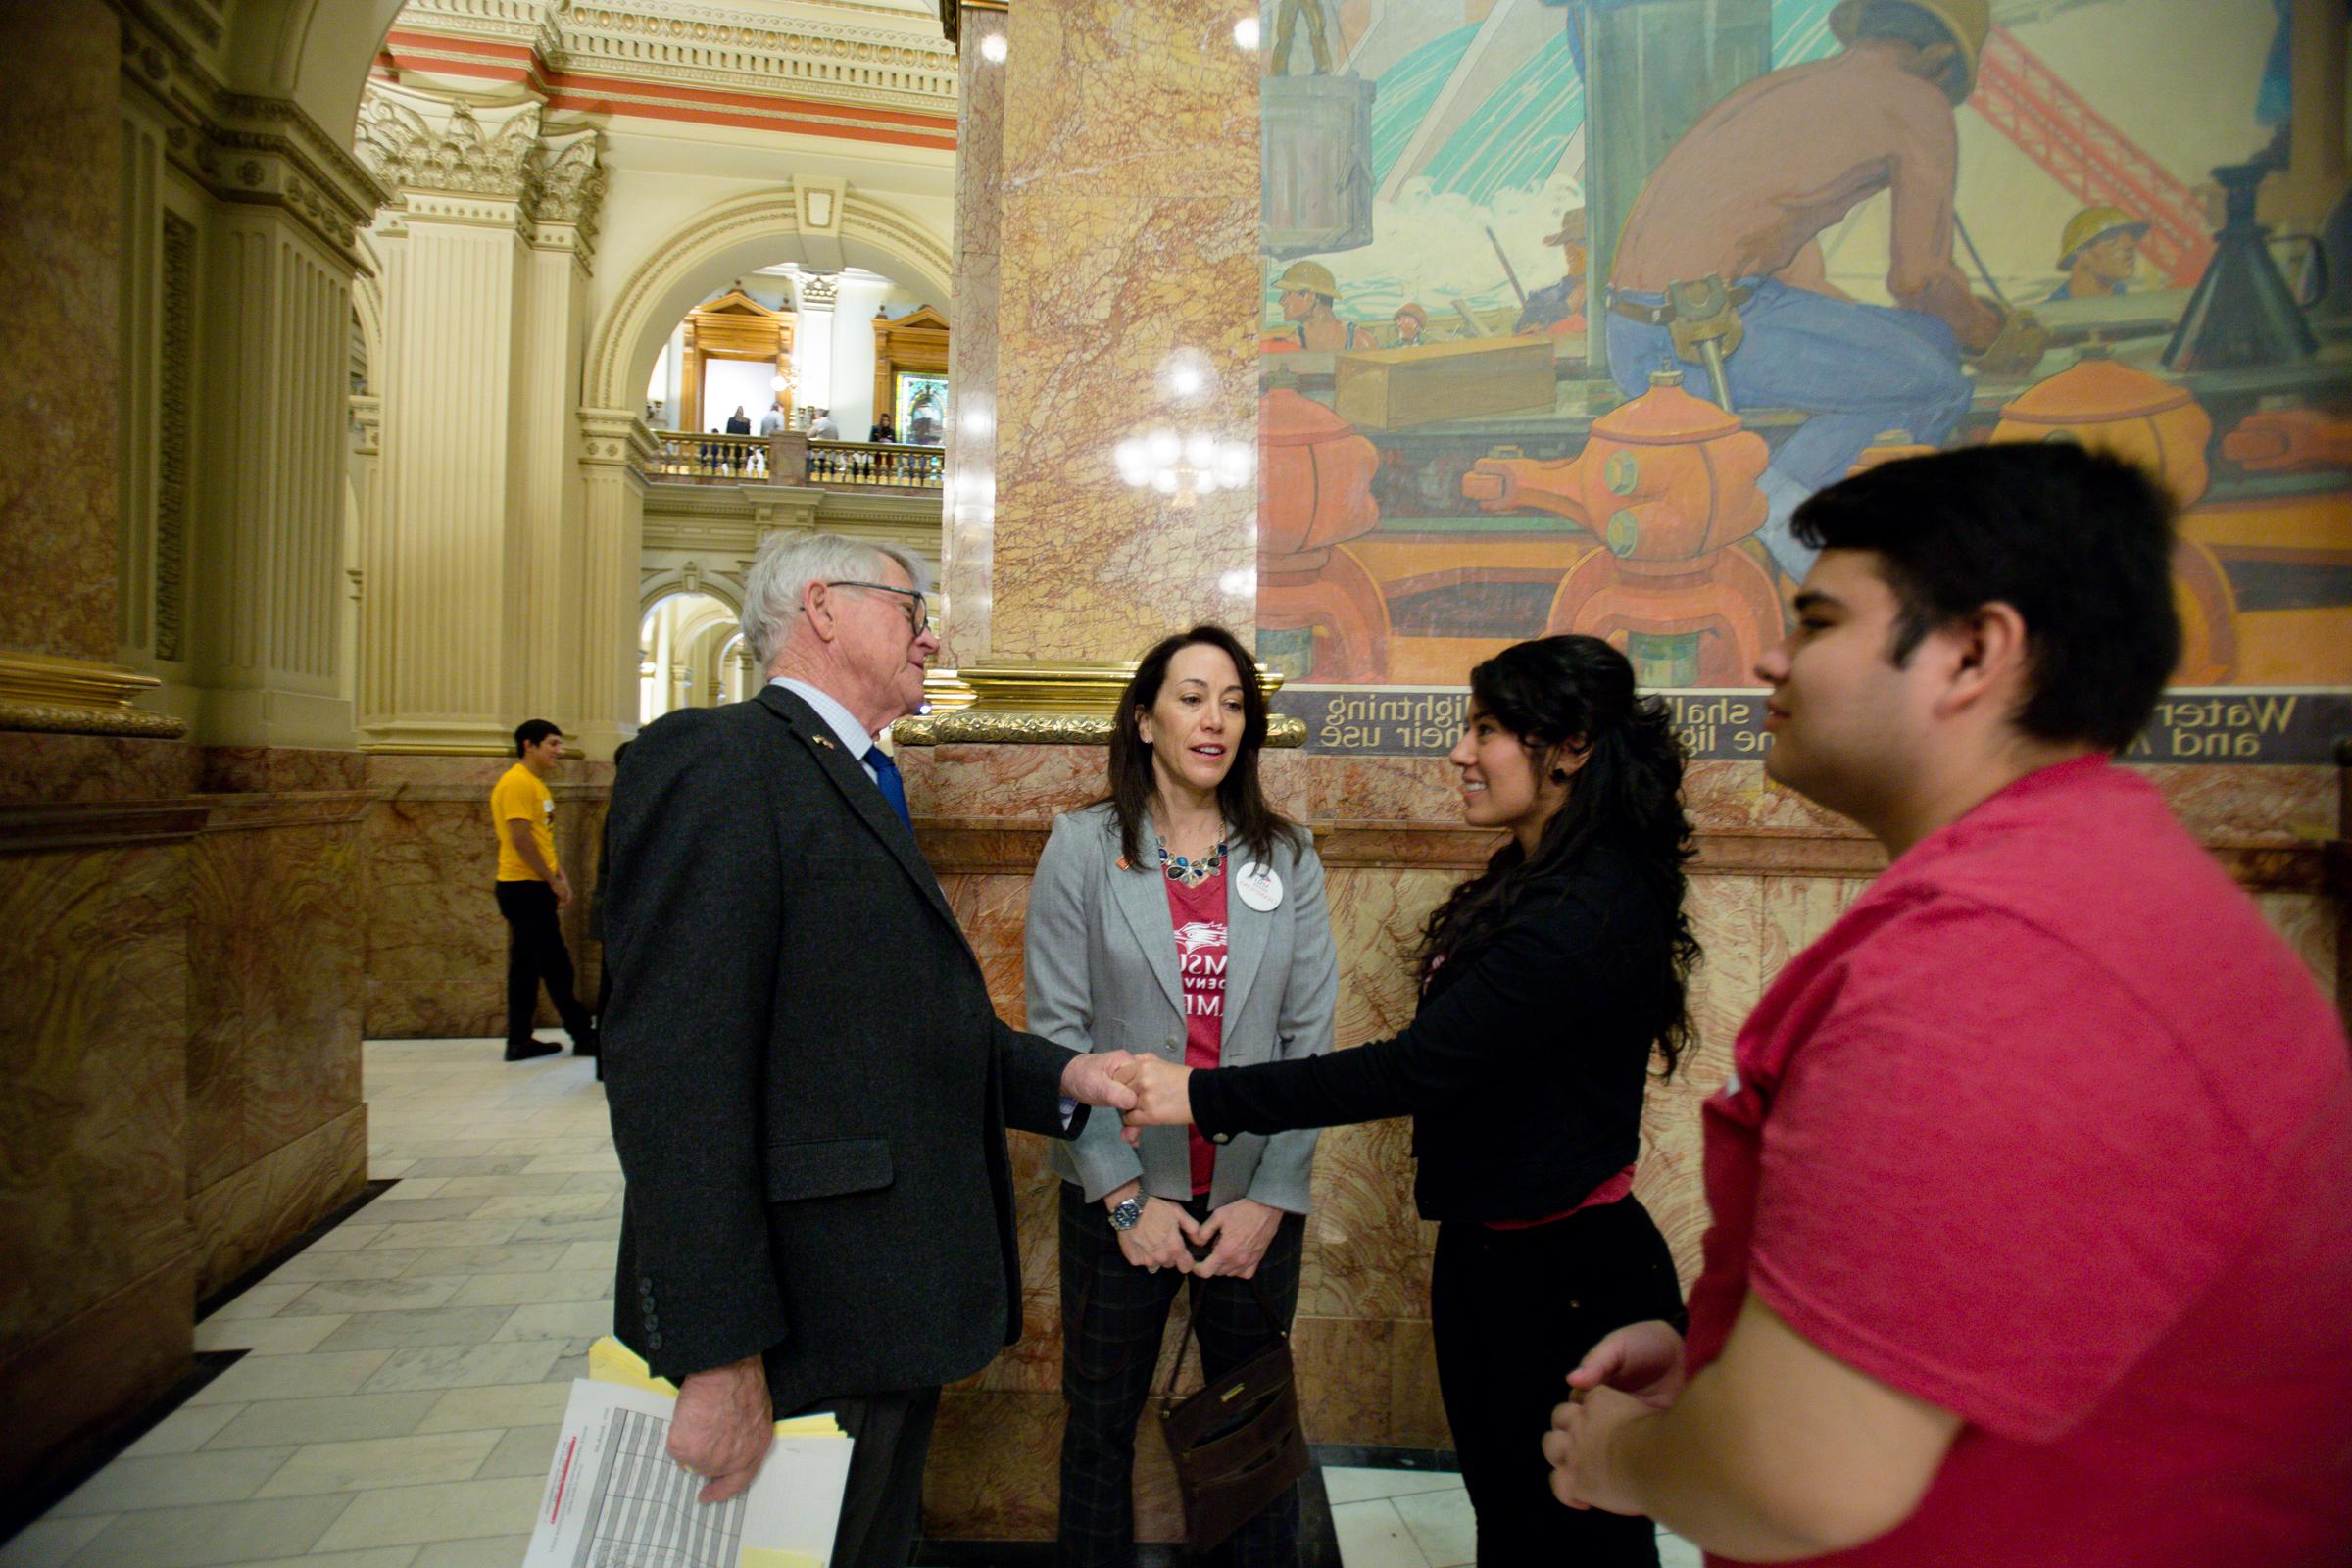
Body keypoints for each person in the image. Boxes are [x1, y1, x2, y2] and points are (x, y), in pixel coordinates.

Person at [1543, 445, 2352, 1564]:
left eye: (1821, 621)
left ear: (1972, 652)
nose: (1772, 657)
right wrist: (1735, 1371)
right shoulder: (2072, 885)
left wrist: (1621, 1459)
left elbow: (1802, 1477)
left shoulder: (2003, 965)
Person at [599, 533, 1140, 1568]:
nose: (929, 633)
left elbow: (898, 1026)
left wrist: (1067, 1077)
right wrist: (718, 1354)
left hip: (877, 1307)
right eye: (909, 605)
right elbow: (675, 1080)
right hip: (802, 1320)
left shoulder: (852, 775)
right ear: (822, 606)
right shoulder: (718, 762)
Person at [1121, 635, 1701, 1567]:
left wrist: (1199, 1093)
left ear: (1571, 746)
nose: (1461, 753)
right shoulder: (1537, 873)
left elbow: (1410, 1069)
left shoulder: (1588, 904)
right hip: (1497, 1251)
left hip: (1571, 1274)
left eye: (1487, 731)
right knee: (1511, 1515)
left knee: (1569, 1534)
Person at [1026, 625, 1339, 1568]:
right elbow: (1056, 1039)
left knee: (1252, 1439)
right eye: (1193, 697)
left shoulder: (1286, 856)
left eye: (1236, 702)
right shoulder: (1082, 846)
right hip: (1122, 1198)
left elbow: (1308, 1045)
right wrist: (1123, 1197)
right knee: (1099, 1433)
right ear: (1145, 717)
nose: (1216, 720)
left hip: (1246, 1201)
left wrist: (1272, 1198)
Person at [1605, 0, 2044, 581]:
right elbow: (1920, 279)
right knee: (1937, 386)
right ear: (1940, 59)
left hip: (1644, 332)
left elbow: (1799, 278)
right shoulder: (1918, 102)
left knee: (1929, 340)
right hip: (1693, 344)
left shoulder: (1792, 88)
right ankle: (1782, 510)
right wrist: (1994, 338)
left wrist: (1900, 339)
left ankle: (1780, 495)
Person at [489, 719, 597, 1062]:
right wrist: (550, 880)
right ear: (529, 745)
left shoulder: (535, 785)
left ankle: (519, 1040)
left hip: (533, 884)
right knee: (556, 963)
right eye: (552, 744)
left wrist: (559, 876)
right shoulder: (517, 783)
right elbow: (520, 839)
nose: (559, 752)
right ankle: (582, 1033)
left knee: (525, 966)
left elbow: (541, 839)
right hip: (522, 887)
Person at [2045, 204, 2147, 301]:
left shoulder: (2123, 300)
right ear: (2080, 250)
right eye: (2112, 236)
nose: (2130, 245)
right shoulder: (2050, 314)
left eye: (2132, 236)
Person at [1514, 208, 1589, 334]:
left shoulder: (1612, 296)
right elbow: (1522, 331)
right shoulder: (1543, 298)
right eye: (1566, 243)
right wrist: (1565, 308)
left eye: (1580, 241)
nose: (1569, 250)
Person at [1273, 260, 1364, 351]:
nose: (1281, 301)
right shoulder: (1291, 344)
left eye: (1287, 294)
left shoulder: (1360, 341)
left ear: (1310, 296)